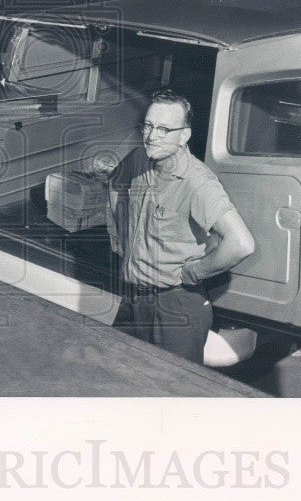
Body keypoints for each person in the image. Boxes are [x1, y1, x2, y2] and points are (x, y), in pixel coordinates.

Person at [105, 89, 256, 364]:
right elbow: (115, 182)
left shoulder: (198, 183)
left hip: (176, 307)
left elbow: (241, 243)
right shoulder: (140, 158)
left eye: (164, 129)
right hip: (134, 298)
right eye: (149, 126)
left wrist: (194, 272)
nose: (152, 136)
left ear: (184, 136)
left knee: (175, 394)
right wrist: (119, 235)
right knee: (116, 377)